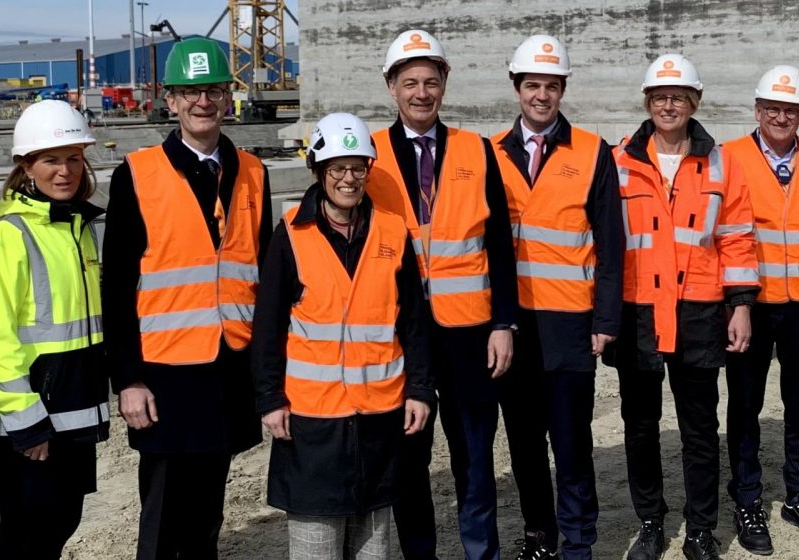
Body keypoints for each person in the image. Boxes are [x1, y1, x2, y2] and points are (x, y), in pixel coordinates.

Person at [101, 37, 273, 559]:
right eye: (190, 92)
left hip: (227, 370)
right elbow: (116, 286)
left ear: (227, 99)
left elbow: (263, 277)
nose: (204, 102)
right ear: (170, 100)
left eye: (214, 90)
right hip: (165, 375)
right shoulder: (137, 174)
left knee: (208, 512)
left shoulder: (253, 173)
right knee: (163, 516)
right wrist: (127, 380)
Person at [251, 112, 436, 560]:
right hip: (312, 422)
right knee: (318, 548)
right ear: (318, 170)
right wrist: (270, 398)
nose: (348, 179)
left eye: (357, 167)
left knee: (373, 549)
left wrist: (420, 391)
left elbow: (414, 321)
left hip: (380, 415)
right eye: (337, 168)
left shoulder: (393, 231)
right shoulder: (292, 234)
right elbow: (268, 326)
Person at [364, 29, 519, 560]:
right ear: (391, 87)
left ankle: (482, 552)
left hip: (470, 334)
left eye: (431, 81)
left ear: (445, 84)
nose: (422, 93)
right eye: (410, 83)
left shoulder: (477, 151)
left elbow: (499, 242)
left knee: (475, 458)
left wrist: (504, 322)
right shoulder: (370, 157)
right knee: (409, 460)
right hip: (401, 336)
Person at [606, 53, 758, 560]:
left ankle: (700, 530)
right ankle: (650, 523)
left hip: (698, 313)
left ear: (695, 102)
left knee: (699, 429)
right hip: (639, 314)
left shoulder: (720, 161)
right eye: (659, 97)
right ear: (648, 102)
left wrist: (740, 305)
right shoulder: (619, 159)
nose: (668, 105)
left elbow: (737, 237)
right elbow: (604, 243)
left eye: (678, 97)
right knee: (641, 426)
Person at [488, 35, 623, 560]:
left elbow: (611, 244)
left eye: (551, 85)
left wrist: (605, 319)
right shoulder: (490, 153)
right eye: (532, 85)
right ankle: (539, 535)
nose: (541, 95)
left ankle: (579, 541)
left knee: (571, 442)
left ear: (562, 88)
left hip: (570, 319)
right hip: (512, 323)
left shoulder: (592, 152)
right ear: (517, 88)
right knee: (523, 441)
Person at [0, 100, 109, 560]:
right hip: (32, 419)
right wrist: (24, 420)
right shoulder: (11, 233)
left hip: (72, 410)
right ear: (26, 165)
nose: (65, 170)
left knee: (60, 521)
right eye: (52, 159)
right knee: (27, 534)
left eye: (74, 158)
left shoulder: (77, 226)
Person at [718, 65, 799, 555]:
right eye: (773, 108)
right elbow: (722, 236)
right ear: (757, 110)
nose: (781, 117)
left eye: (791, 110)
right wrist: (732, 303)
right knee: (745, 406)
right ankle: (747, 499)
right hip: (751, 306)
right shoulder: (730, 158)